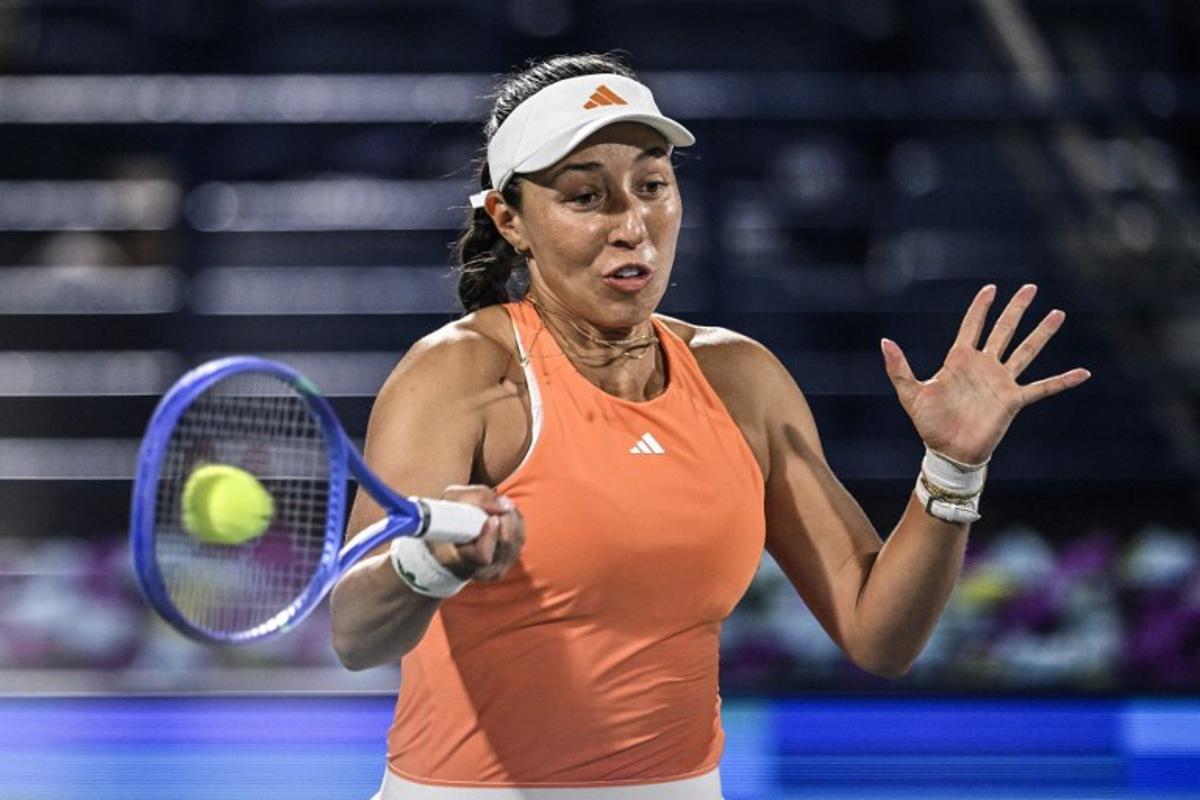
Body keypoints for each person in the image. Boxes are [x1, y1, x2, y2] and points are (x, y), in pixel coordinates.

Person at [328, 52, 1091, 800]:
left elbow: (878, 636)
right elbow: (357, 634)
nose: (633, 225)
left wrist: (953, 468)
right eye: (586, 197)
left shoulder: (740, 378)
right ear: (510, 220)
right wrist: (432, 561)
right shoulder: (458, 375)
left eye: (652, 186)